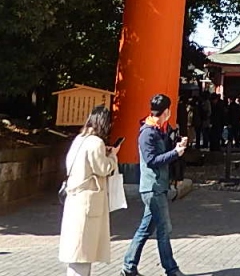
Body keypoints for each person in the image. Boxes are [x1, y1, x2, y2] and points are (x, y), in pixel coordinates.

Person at [122, 94, 188, 276]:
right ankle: (171, 269)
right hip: (153, 187)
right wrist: (175, 153)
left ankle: (129, 266)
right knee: (164, 229)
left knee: (145, 229)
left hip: (158, 186)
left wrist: (176, 144)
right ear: (166, 111)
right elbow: (151, 160)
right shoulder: (148, 132)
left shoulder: (159, 129)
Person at [59, 105, 120, 276]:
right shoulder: (96, 142)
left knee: (77, 250)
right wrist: (113, 156)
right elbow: (103, 168)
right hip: (87, 202)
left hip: (74, 198)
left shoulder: (79, 139)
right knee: (83, 251)